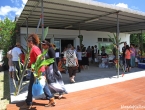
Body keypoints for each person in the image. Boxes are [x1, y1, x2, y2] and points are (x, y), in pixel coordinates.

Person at [21, 34, 55, 109]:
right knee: (44, 85)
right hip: (37, 70)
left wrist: (39, 72)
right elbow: (35, 60)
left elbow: (41, 59)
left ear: (31, 42)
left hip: (37, 71)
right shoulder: (33, 48)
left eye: (27, 42)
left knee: (31, 86)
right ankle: (51, 99)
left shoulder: (34, 49)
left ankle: (28, 103)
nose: (27, 44)